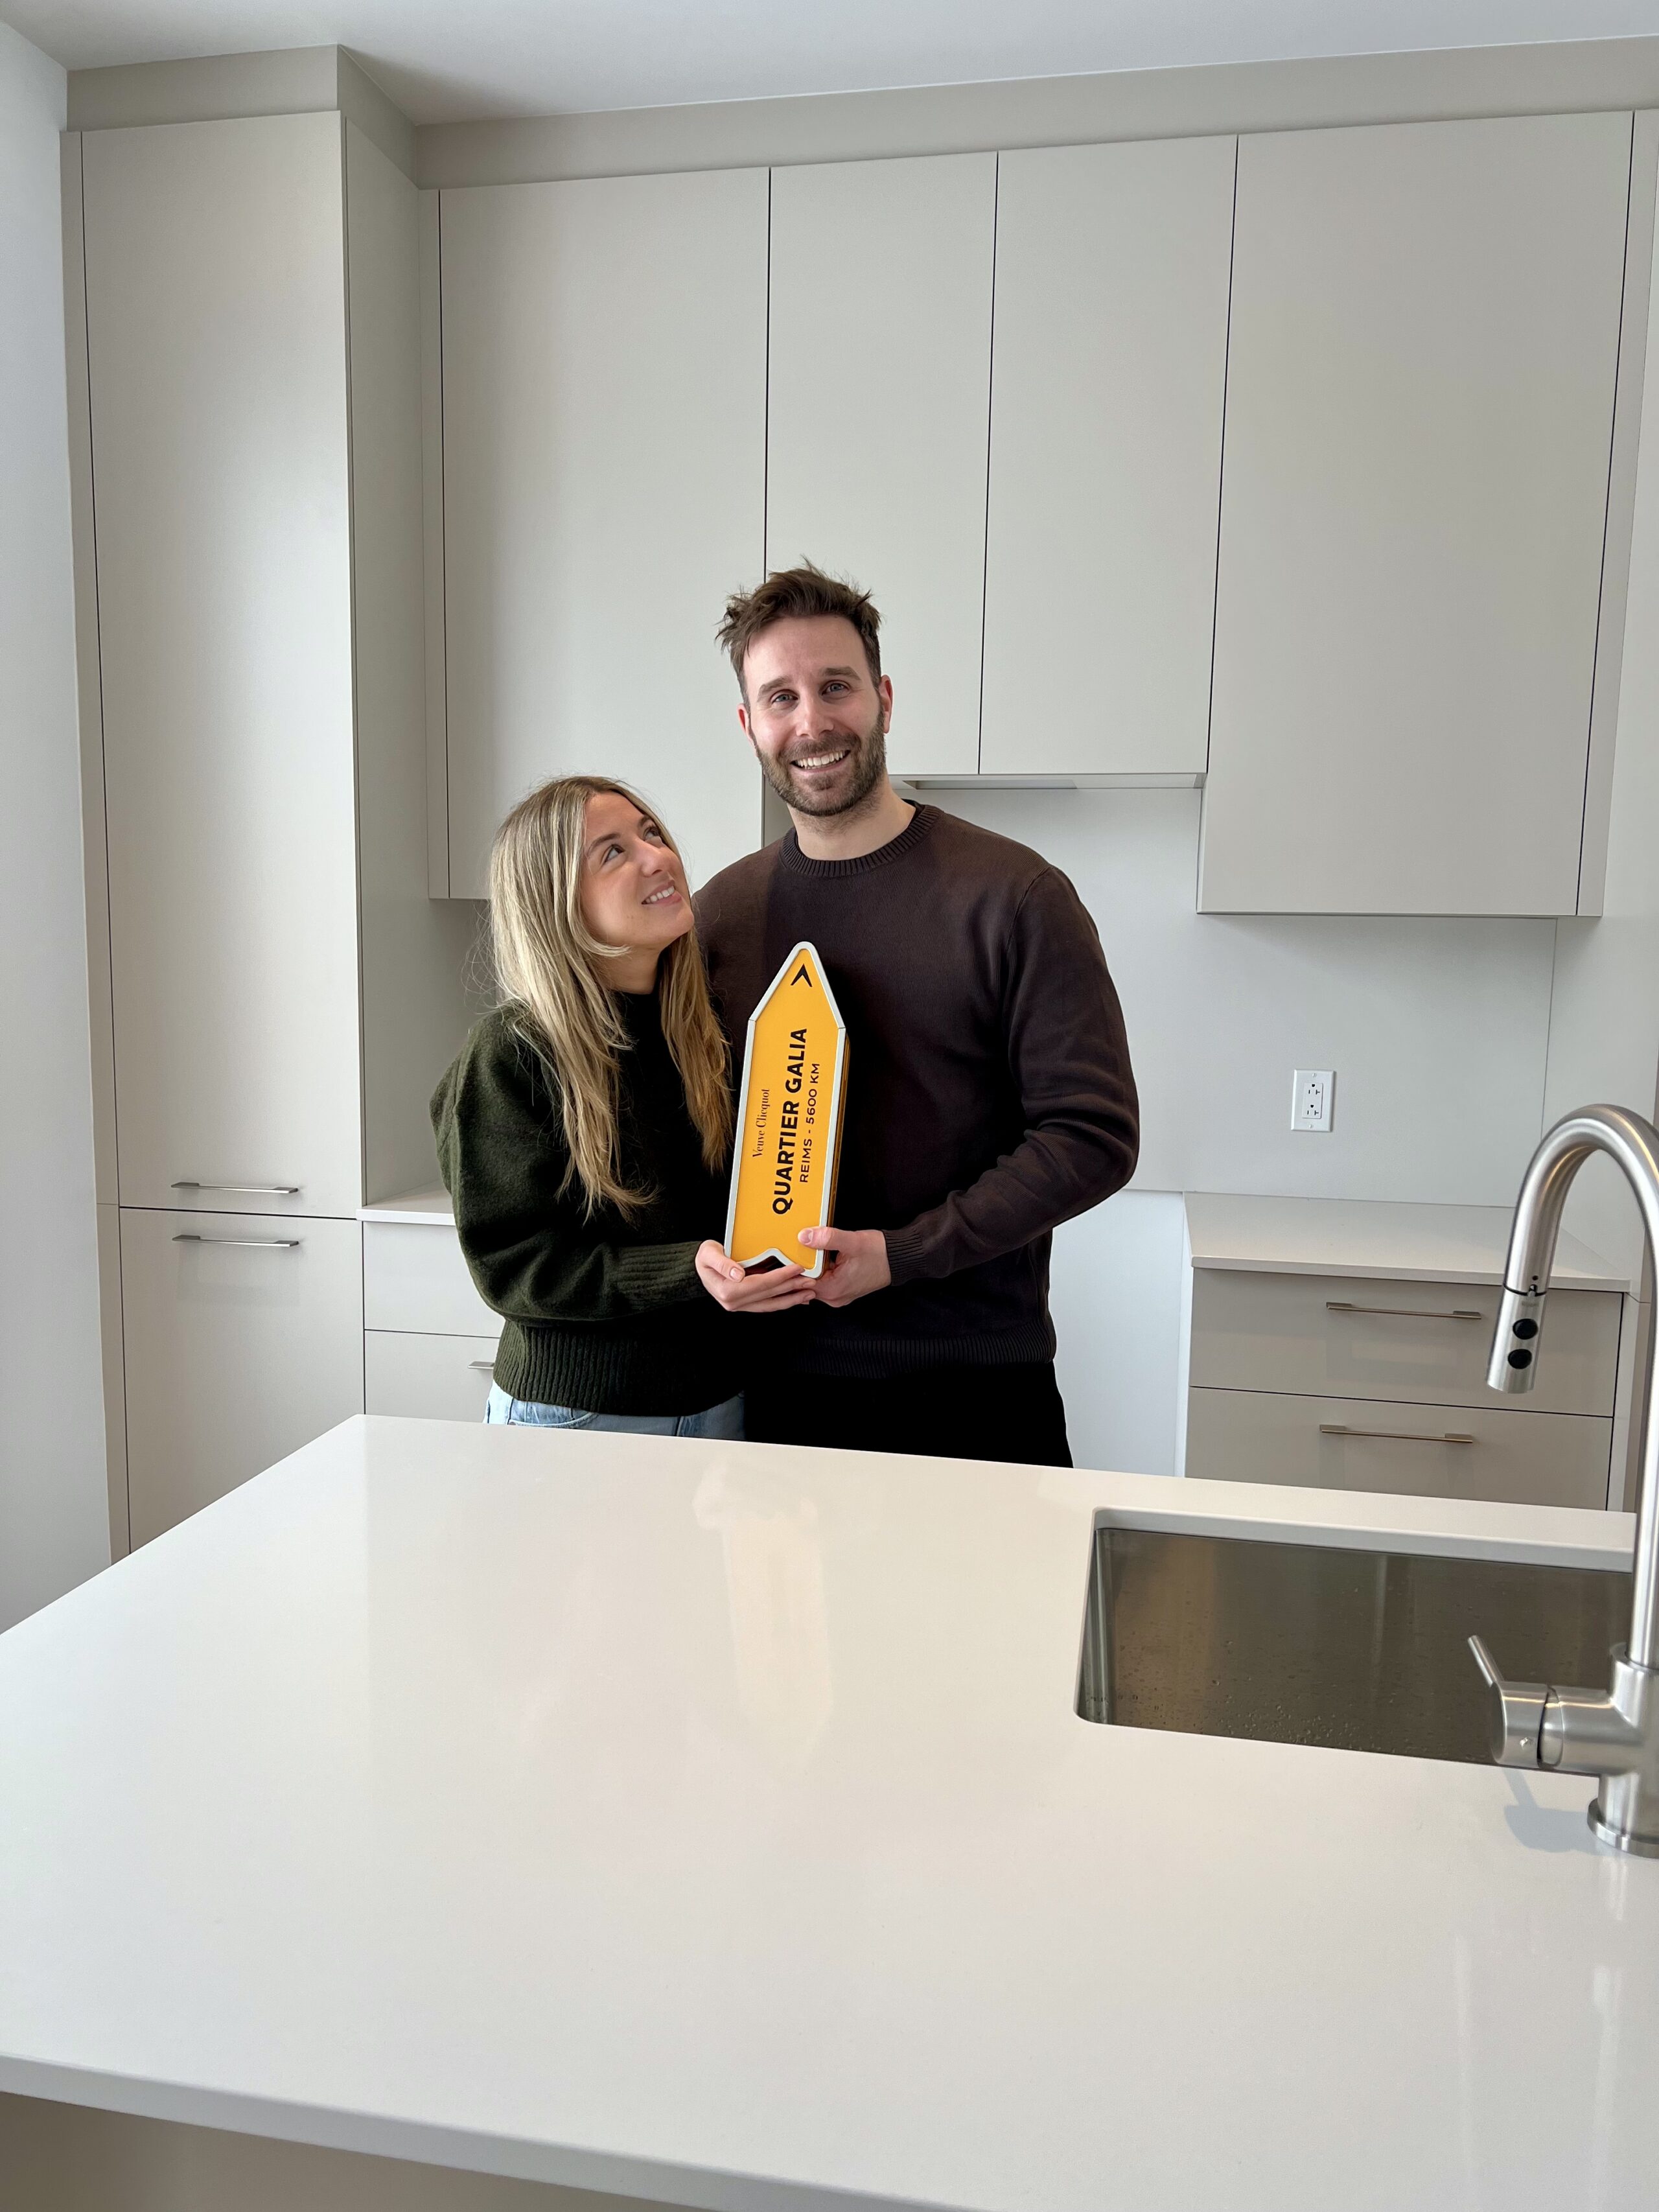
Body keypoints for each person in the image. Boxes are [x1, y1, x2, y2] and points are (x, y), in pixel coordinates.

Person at [693, 565, 1139, 1467]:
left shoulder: (1015, 896)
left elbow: (1093, 1134)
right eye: (781, 697)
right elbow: (696, 1135)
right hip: (777, 1390)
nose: (812, 722)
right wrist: (697, 1260)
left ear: (884, 698)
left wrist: (902, 1254)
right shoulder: (720, 917)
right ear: (748, 726)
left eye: (836, 686)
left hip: (975, 1394)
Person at [432, 775, 812, 1438]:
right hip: (579, 1413)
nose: (657, 857)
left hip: (719, 1401)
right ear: (555, 901)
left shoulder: (705, 1033)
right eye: (612, 852)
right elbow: (516, 1268)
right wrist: (688, 1270)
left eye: (651, 833)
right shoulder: (512, 1053)